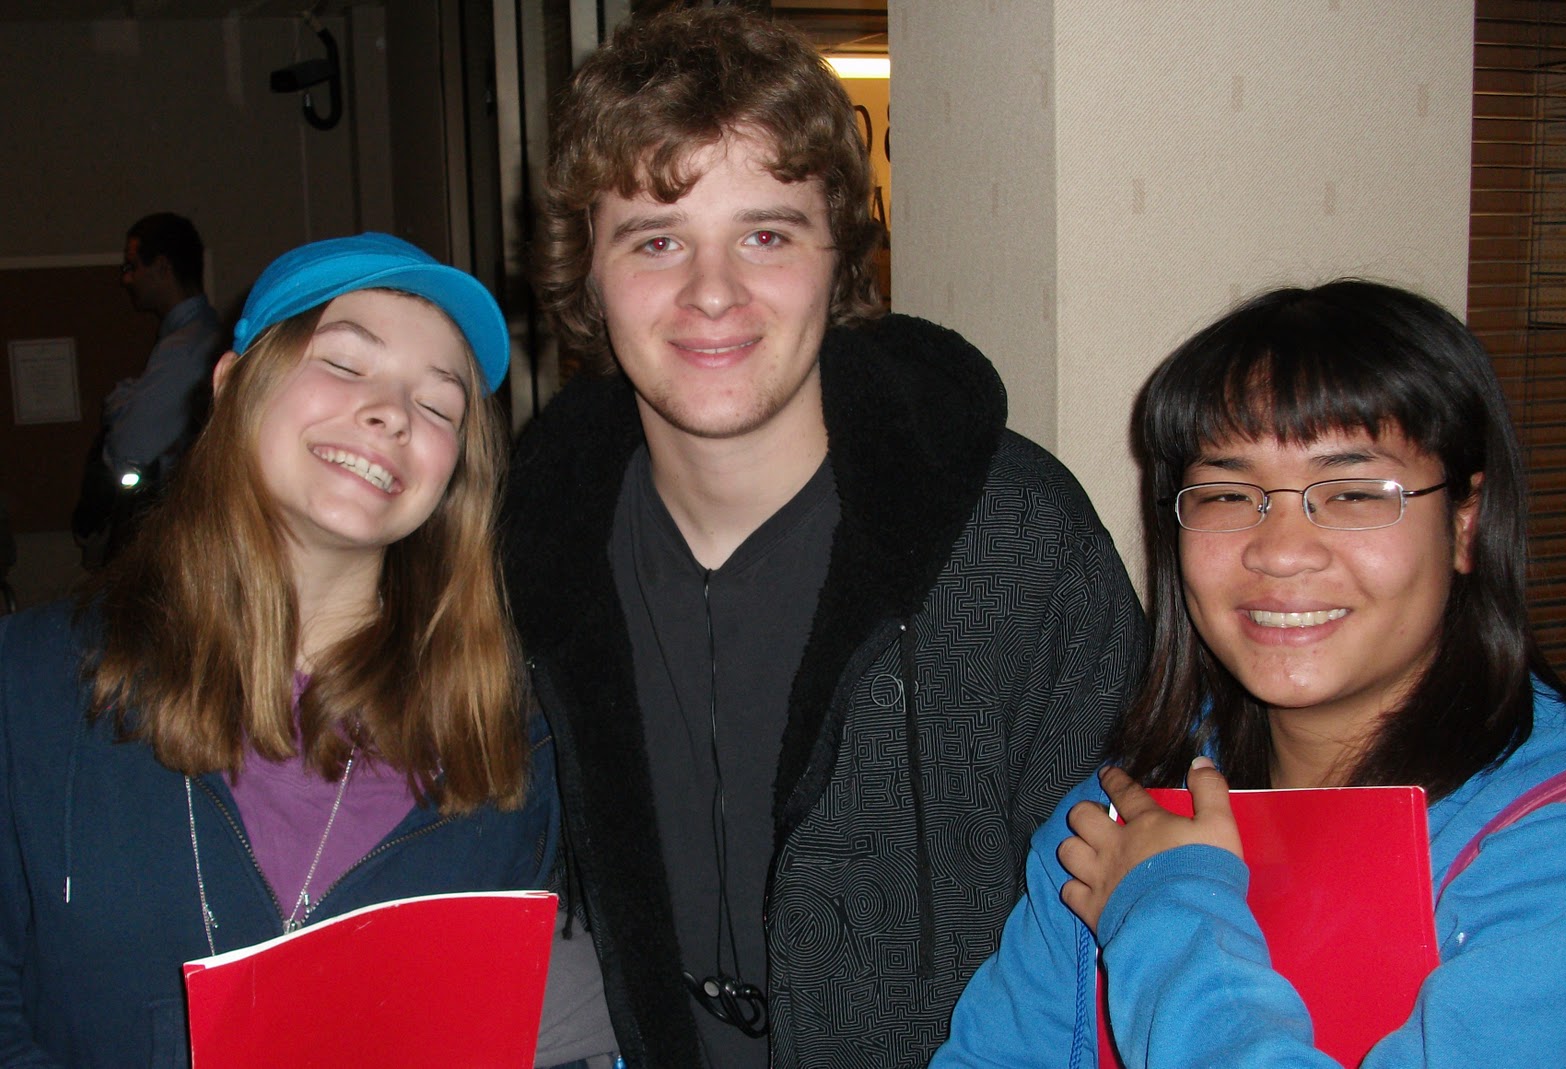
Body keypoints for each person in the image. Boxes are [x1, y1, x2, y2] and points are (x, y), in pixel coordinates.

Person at [502, 8, 1147, 1068]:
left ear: (838, 252)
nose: (713, 293)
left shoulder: (1016, 540)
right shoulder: (527, 553)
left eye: (766, 234)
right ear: (589, 274)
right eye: (657, 240)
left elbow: (1121, 919)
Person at [931, 279, 1566, 1068]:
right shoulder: (1125, 810)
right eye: (1227, 493)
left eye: (1352, 492)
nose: (1279, 551)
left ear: (1466, 524)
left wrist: (1164, 907)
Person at [0, 233, 559, 1067]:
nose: (393, 412)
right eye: (345, 362)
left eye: (439, 406)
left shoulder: (511, 740)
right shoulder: (32, 681)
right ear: (232, 384)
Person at [73, 213, 227, 563]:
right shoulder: (192, 338)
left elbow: (130, 447)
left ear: (161, 267)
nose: (126, 279)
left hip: (177, 531)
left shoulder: (187, 348)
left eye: (132, 267)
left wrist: (120, 403)